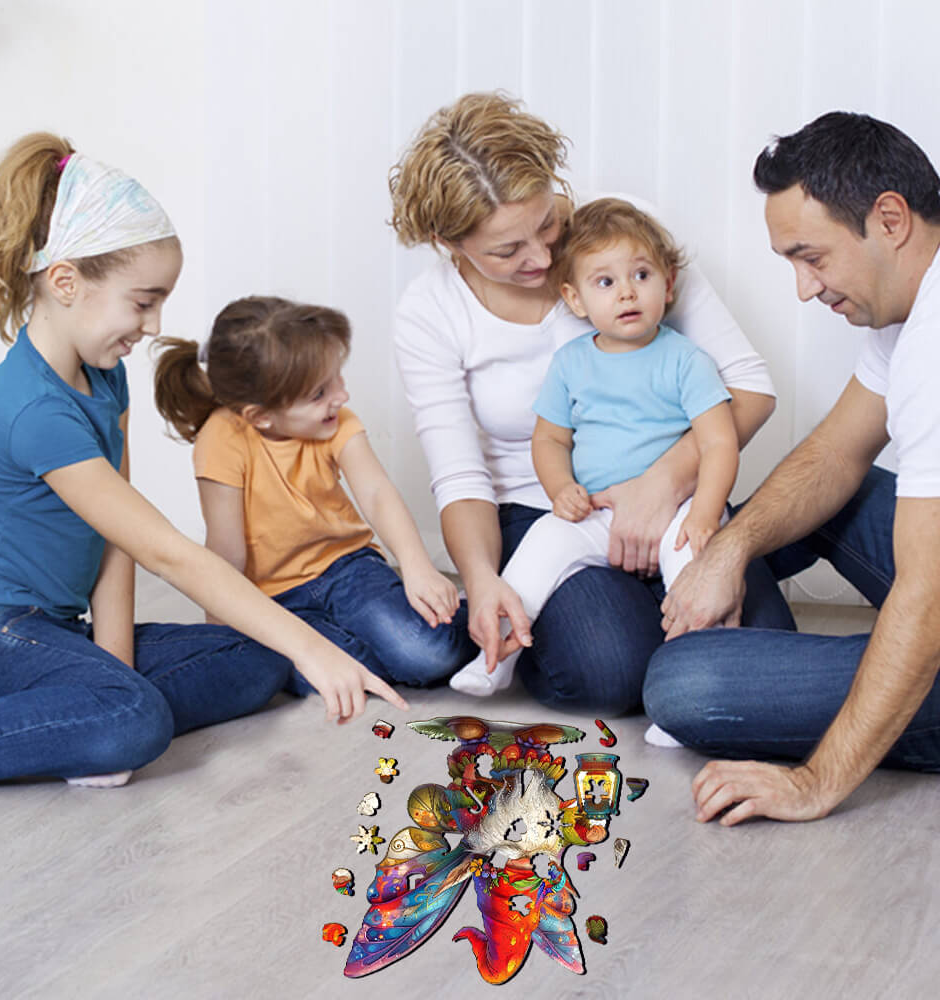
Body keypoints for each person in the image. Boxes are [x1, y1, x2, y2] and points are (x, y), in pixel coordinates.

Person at [0, 133, 406, 792]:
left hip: (55, 628)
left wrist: (116, 665)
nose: (155, 322)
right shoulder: (33, 409)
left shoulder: (106, 378)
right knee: (131, 720)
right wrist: (315, 650)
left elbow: (119, 545)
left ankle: (70, 715)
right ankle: (73, 718)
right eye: (142, 300)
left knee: (253, 656)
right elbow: (169, 552)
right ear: (66, 281)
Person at [391, 92, 795, 714]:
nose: (544, 257)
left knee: (764, 644)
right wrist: (482, 580)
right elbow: (461, 476)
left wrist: (662, 485)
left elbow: (749, 387)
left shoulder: (624, 244)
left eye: (547, 222)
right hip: (545, 509)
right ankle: (569, 627)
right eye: (508, 251)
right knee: (613, 672)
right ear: (450, 243)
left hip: (678, 487)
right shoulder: (430, 311)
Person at [643, 111, 940, 825]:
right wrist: (729, 552)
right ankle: (734, 611)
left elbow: (928, 598)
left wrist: (814, 783)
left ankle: (833, 680)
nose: (806, 289)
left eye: (813, 257)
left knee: (687, 684)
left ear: (890, 218)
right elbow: (835, 453)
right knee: (822, 496)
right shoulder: (908, 308)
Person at [449, 198, 738, 696]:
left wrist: (705, 515)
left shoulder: (685, 360)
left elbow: (719, 443)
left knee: (695, 580)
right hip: (596, 510)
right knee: (539, 550)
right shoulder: (571, 363)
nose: (627, 292)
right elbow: (551, 438)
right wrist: (561, 489)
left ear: (669, 285)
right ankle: (494, 657)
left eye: (642, 275)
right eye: (605, 282)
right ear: (576, 299)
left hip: (676, 510)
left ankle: (693, 689)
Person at [153, 296, 475, 690]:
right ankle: (387, 644)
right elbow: (226, 551)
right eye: (320, 393)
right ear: (261, 415)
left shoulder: (337, 421)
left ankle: (473, 613)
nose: (341, 397)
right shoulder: (220, 438)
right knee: (312, 675)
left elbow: (376, 493)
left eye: (337, 378)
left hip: (348, 568)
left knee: (426, 655)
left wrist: (417, 567)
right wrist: (225, 632)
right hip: (275, 596)